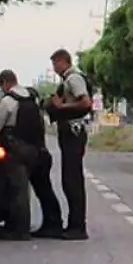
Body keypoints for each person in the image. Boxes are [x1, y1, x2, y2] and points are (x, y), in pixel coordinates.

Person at [0, 69, 51, 239]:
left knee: (18, 190)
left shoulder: (8, 101)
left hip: (15, 150)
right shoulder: (32, 97)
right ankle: (52, 224)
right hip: (36, 150)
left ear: (5, 84)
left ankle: (19, 230)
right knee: (38, 189)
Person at [43, 48, 93, 239]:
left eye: (55, 64)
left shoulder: (74, 79)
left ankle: (78, 226)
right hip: (68, 132)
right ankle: (73, 224)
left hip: (74, 132)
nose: (54, 68)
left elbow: (86, 103)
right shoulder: (67, 80)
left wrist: (61, 106)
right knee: (68, 179)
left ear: (63, 61)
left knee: (73, 180)